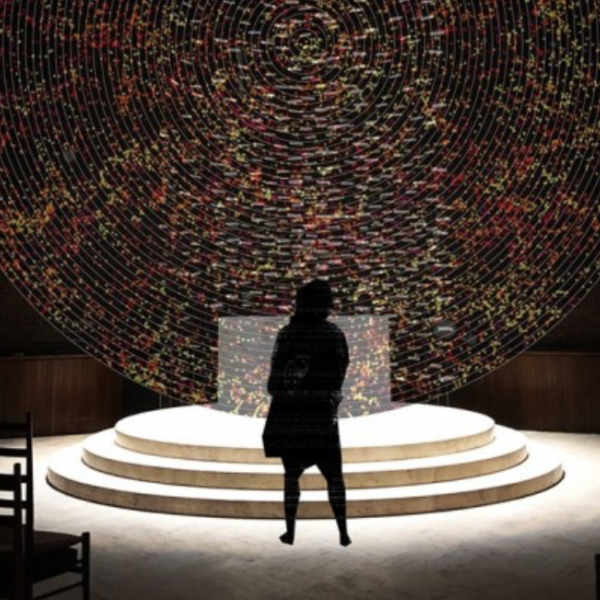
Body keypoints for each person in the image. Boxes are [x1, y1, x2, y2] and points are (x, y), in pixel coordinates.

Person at [262, 278, 351, 547]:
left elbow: (273, 384)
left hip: (293, 417)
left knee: (291, 477)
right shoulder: (334, 334)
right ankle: (343, 533)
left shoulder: (287, 335)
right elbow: (339, 374)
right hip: (323, 416)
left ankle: (290, 532)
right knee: (334, 477)